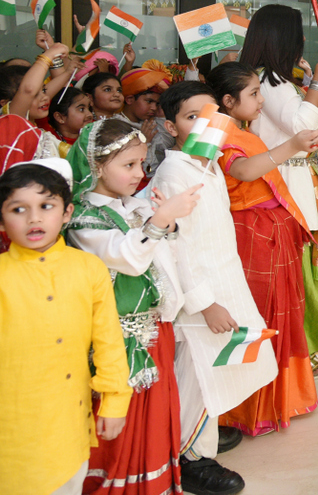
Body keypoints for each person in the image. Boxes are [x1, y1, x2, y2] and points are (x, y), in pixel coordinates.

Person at [153, 81, 279, 492]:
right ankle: (192, 459)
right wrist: (205, 303)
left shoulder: (206, 164)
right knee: (198, 375)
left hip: (224, 279)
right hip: (200, 296)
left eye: (210, 116)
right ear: (171, 127)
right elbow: (177, 249)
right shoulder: (173, 173)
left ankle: (200, 435)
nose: (204, 125)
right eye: (192, 117)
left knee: (218, 371)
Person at [65, 119, 200, 495]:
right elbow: (129, 259)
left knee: (154, 421)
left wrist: (164, 225)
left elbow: (163, 257)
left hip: (155, 330)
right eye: (128, 165)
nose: (140, 174)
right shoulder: (82, 219)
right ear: (95, 166)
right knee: (118, 430)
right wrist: (161, 220)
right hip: (116, 342)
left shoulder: (133, 206)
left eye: (142, 164)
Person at [0, 161, 131, 495]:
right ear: (2, 220)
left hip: (68, 421)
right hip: (10, 425)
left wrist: (115, 401)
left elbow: (108, 341)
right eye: (19, 209)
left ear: (67, 211)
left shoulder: (89, 269)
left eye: (46, 206)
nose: (34, 219)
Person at [207, 62, 318, 435]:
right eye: (254, 93)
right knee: (262, 317)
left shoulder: (240, 129)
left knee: (284, 315)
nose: (261, 100)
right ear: (228, 100)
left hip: (272, 232)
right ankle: (252, 409)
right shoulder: (220, 134)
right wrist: (290, 146)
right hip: (253, 237)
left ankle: (282, 398)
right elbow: (241, 172)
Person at [239, 4, 318, 374]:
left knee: (300, 272)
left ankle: (305, 347)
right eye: (298, 33)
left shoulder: (270, 78)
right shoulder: (268, 80)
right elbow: (301, 126)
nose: (302, 39)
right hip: (282, 182)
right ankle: (302, 350)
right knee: (295, 274)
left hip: (288, 177)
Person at [47, 86, 94, 156]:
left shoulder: (95, 139)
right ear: (60, 117)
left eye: (89, 109)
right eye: (81, 109)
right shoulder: (48, 141)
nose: (90, 114)